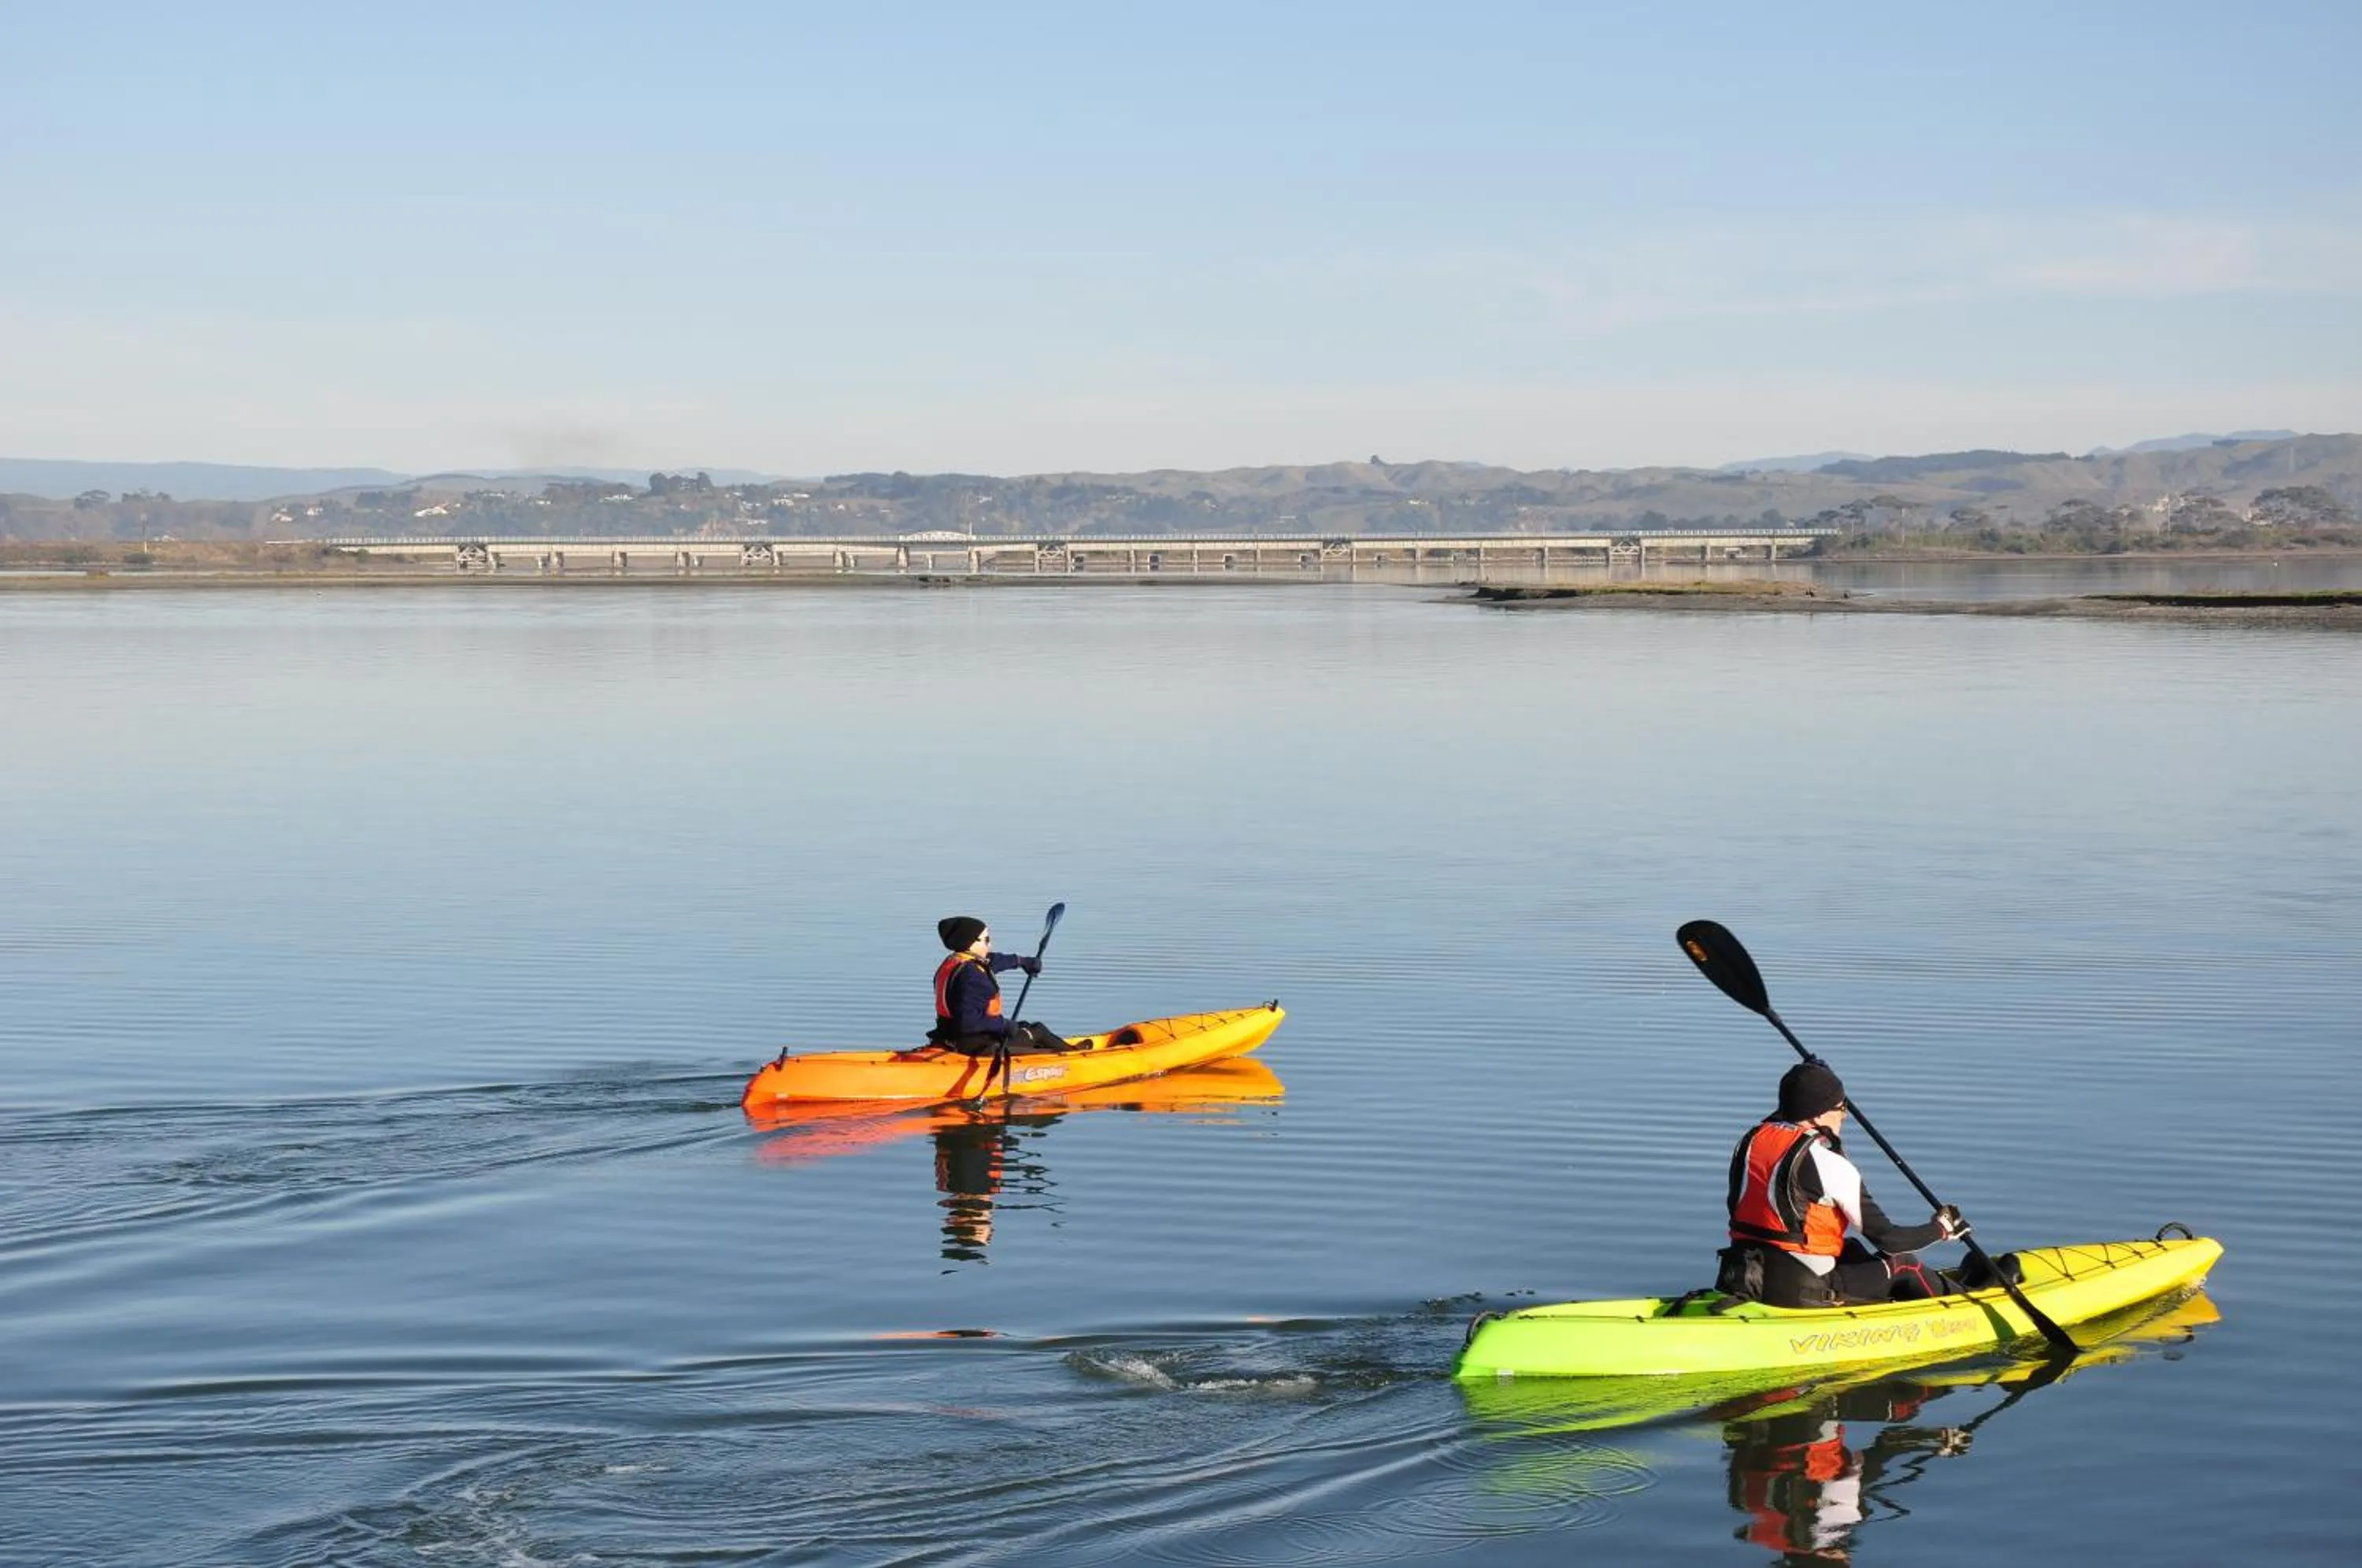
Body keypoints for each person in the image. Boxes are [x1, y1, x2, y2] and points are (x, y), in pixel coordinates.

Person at [1720, 1060, 1964, 1307]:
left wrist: (1811, 1076)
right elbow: (1889, 1240)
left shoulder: (1748, 1144)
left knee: (1852, 1250)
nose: (1844, 1115)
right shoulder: (1829, 1163)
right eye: (1841, 1107)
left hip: (1746, 1275)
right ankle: (1964, 1307)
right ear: (1818, 1114)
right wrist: (1942, 1229)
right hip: (1802, 1290)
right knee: (1903, 1264)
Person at [927, 915, 1074, 1056]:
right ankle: (1076, 1058)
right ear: (970, 943)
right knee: (1037, 1031)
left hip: (949, 1037)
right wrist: (1003, 1025)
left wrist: (1021, 961)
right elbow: (969, 1023)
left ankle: (1069, 1051)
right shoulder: (971, 976)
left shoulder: (955, 963)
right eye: (986, 940)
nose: (990, 945)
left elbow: (992, 961)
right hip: (977, 1045)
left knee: (1023, 1026)